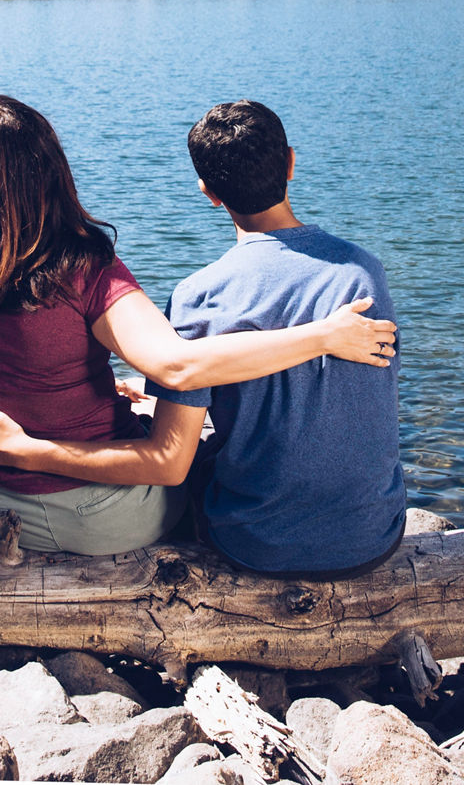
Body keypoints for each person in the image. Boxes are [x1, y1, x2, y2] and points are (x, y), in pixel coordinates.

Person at [0, 95, 395, 557]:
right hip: (99, 515)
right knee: (196, 459)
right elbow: (177, 373)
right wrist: (324, 336)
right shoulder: (82, 267)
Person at [143, 99, 408, 577]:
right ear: (290, 162)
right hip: (372, 536)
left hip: (257, 544)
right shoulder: (363, 273)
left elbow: (171, 457)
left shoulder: (197, 296)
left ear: (209, 193)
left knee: (164, 441)